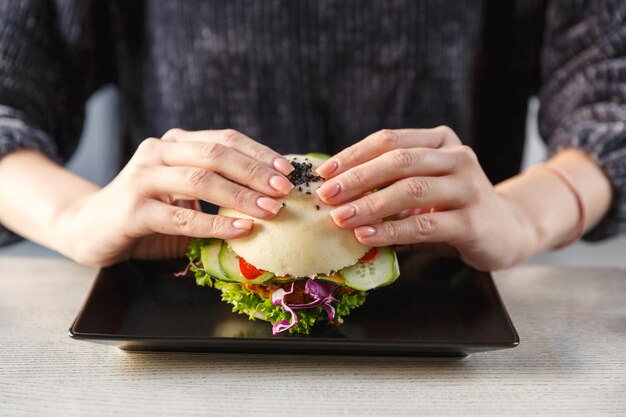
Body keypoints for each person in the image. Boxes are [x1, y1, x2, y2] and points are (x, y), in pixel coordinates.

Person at [0, 0, 624, 271]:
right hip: (176, 335)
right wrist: (72, 216)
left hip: (450, 315)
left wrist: (525, 217)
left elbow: (611, 100)